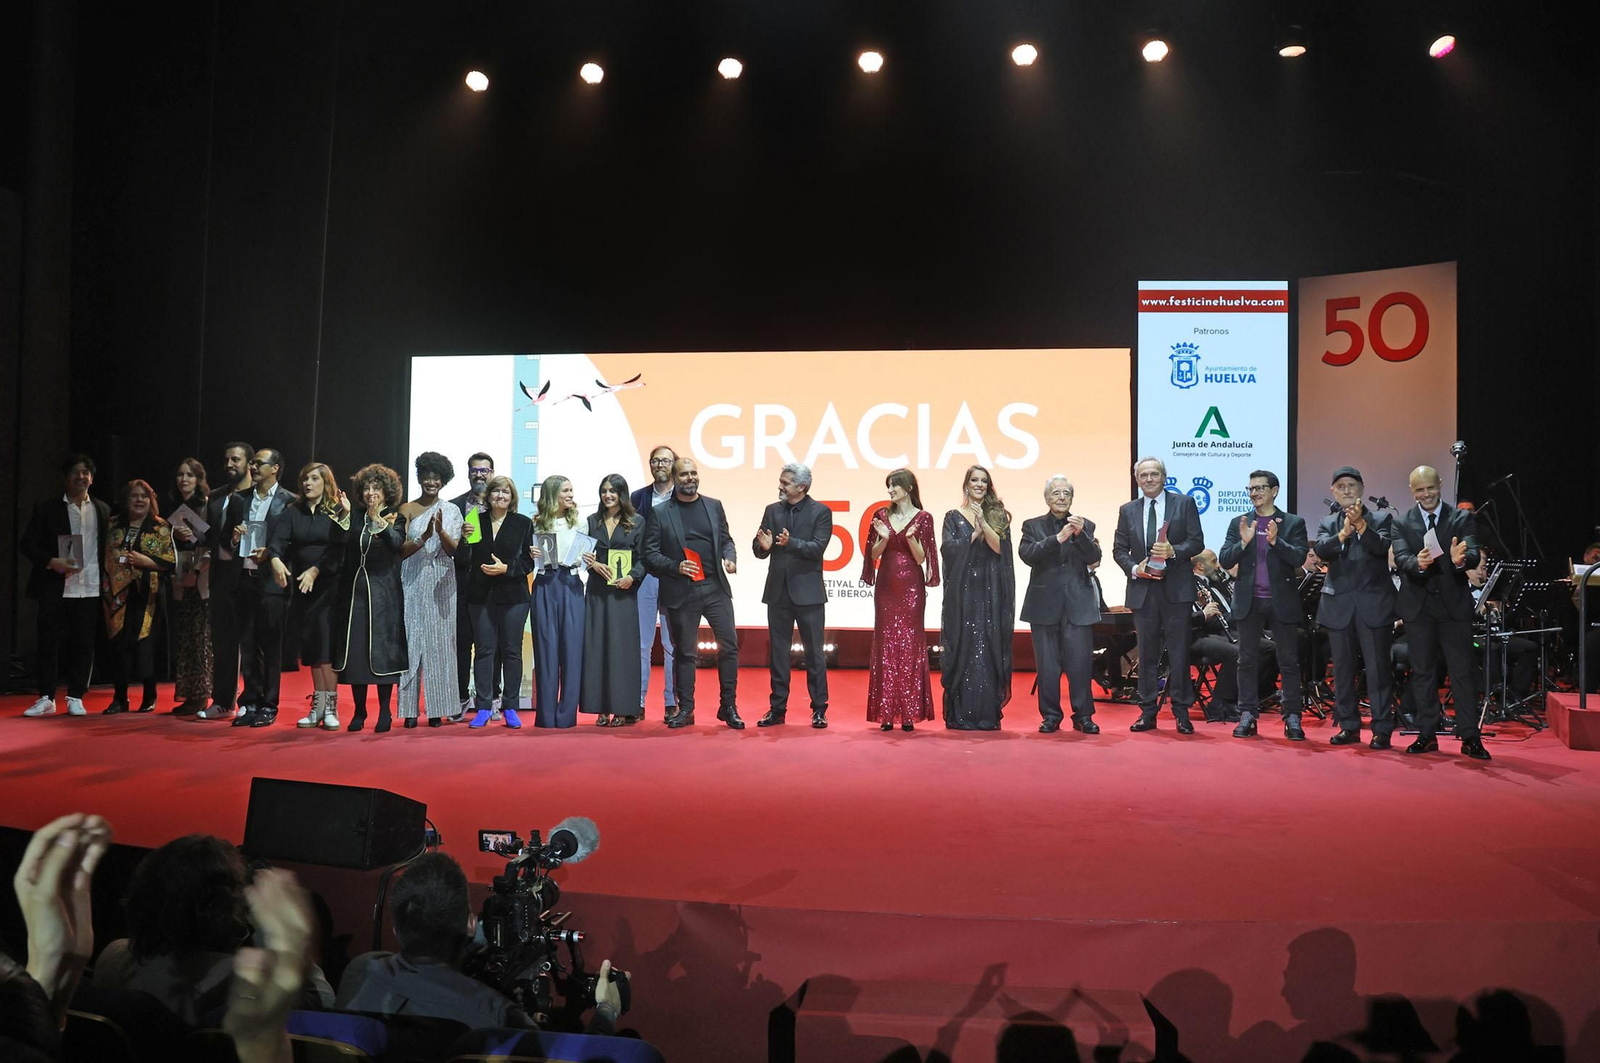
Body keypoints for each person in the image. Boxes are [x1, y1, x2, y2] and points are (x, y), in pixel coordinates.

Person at [335, 852, 623, 1034]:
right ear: (471, 924)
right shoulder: (496, 1016)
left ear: (395, 929)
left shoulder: (359, 971)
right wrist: (607, 1011)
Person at [94, 833, 333, 1024]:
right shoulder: (236, 977)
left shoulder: (113, 957)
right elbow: (323, 1003)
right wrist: (276, 926)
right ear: (225, 908)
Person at [1391, 465, 1488, 760]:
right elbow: (1402, 557)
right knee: (1422, 672)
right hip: (1418, 608)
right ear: (1412, 491)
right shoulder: (1402, 522)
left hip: (1453, 608)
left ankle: (1470, 736)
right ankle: (1426, 734)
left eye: (1430, 488)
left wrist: (1461, 560)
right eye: (1420, 490)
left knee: (1462, 672)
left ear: (1440, 484)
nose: (1426, 494)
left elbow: (1473, 551)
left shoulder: (1461, 518)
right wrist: (1418, 563)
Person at [642, 457, 743, 729]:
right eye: (684, 474)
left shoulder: (714, 505)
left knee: (729, 647)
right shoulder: (661, 512)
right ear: (674, 478)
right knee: (685, 652)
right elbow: (649, 554)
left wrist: (729, 557)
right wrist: (675, 566)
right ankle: (686, 708)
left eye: (693, 473)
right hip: (682, 590)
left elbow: (726, 540)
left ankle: (728, 706)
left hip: (715, 587)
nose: (690, 478)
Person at [1112, 457, 1205, 733]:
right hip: (1143, 591)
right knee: (1147, 654)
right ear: (1137, 480)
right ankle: (1147, 712)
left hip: (1176, 591)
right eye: (1143, 475)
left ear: (1164, 477)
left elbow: (1197, 541)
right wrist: (1134, 568)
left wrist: (1174, 551)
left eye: (1154, 474)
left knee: (1179, 654)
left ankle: (1181, 713)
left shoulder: (1184, 503)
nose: (1149, 479)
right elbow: (1119, 549)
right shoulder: (1127, 510)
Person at [1217, 470, 1309, 740]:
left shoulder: (1293, 523)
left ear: (1274, 491)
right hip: (1249, 601)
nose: (1254, 493)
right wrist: (1243, 542)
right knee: (1246, 660)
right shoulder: (1239, 522)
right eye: (1251, 489)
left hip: (1281, 601)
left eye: (1259, 488)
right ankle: (1247, 714)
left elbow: (1299, 558)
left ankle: (1292, 716)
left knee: (1288, 661)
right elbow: (1225, 559)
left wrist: (1276, 541)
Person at [1314, 466, 1399, 749]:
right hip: (1338, 606)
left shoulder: (1381, 518)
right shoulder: (1328, 522)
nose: (1346, 490)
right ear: (1333, 492)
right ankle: (1348, 726)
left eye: (1351, 485)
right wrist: (1343, 534)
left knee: (1378, 670)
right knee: (1342, 671)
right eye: (1341, 486)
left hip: (1374, 605)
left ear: (1361, 489)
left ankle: (1382, 728)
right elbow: (1322, 550)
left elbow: (1382, 547)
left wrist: (1361, 526)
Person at [21, 454, 110, 718]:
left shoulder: (103, 510)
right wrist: (52, 561)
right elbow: (27, 544)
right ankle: (46, 697)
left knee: (83, 643)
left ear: (92, 478)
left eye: (85, 472)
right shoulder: (47, 509)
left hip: (90, 586)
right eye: (75, 472)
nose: (81, 477)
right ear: (65, 477)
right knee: (48, 642)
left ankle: (76, 696)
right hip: (55, 585)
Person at [267, 462, 350, 730]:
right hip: (304, 588)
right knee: (313, 648)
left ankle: (331, 706)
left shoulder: (336, 511)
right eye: (305, 479)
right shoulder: (294, 512)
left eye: (314, 479)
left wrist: (316, 570)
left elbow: (339, 550)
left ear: (326, 483)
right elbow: (277, 541)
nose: (308, 483)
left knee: (326, 646)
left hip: (330, 587)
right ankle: (318, 706)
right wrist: (276, 560)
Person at [1019, 476, 1102, 733]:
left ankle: (1083, 716)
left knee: (1080, 665)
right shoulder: (1032, 526)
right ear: (1047, 498)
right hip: (1044, 605)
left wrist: (1080, 535)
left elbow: (1094, 557)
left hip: (1078, 605)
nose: (1062, 497)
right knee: (1047, 667)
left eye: (1067, 493)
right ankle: (1051, 716)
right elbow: (1027, 555)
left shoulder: (1085, 525)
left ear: (1072, 498)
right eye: (1056, 493)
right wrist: (1057, 539)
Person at [752, 462, 833, 728]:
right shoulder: (772, 510)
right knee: (778, 653)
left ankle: (819, 709)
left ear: (802, 486)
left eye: (785, 483)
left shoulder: (821, 512)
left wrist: (791, 543)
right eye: (781, 481)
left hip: (809, 594)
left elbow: (817, 548)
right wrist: (763, 547)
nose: (780, 486)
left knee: (814, 654)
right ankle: (777, 709)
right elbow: (759, 547)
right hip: (778, 593)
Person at [861, 468, 940, 731]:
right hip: (886, 586)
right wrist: (883, 538)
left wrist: (910, 538)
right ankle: (885, 713)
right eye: (889, 486)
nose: (890, 490)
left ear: (908, 488)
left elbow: (921, 558)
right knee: (886, 644)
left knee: (910, 645)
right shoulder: (881, 515)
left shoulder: (923, 518)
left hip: (911, 588)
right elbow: (873, 555)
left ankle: (909, 713)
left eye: (895, 485)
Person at [334, 464, 409, 733]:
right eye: (366, 488)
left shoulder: (395, 517)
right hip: (355, 594)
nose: (370, 492)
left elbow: (396, 544)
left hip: (383, 594)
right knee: (356, 650)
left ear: (387, 492)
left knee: (382, 651)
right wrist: (343, 514)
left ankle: (385, 711)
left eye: (376, 488)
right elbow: (340, 542)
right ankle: (359, 711)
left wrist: (378, 519)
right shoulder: (354, 516)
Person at [940, 465, 1015, 731]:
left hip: (991, 592)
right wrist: (971, 536)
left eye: (984, 481)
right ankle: (960, 714)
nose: (979, 484)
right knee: (963, 646)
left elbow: (1001, 550)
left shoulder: (997, 515)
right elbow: (948, 551)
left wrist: (984, 524)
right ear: (966, 485)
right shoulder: (952, 516)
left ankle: (987, 714)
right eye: (974, 480)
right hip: (962, 594)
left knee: (989, 646)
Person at [226, 448, 297, 729]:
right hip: (244, 578)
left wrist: (272, 553)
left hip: (272, 582)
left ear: (275, 468)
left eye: (259, 463)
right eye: (252, 463)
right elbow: (224, 538)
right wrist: (234, 538)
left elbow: (295, 543)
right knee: (247, 643)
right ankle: (250, 701)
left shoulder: (289, 501)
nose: (253, 467)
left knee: (271, 646)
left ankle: (269, 704)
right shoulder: (239, 499)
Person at [101, 480, 177, 714]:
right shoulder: (113, 524)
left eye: (144, 496)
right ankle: (120, 698)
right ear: (126, 499)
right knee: (119, 646)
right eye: (134, 496)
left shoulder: (160, 526)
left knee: (145, 644)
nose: (139, 500)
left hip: (148, 596)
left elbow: (170, 561)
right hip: (117, 593)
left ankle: (149, 694)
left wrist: (147, 562)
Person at [398, 453, 462, 728]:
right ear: (420, 477)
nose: (431, 482)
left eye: (436, 478)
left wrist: (440, 531)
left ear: (443, 480)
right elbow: (399, 550)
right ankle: (409, 711)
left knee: (441, 645)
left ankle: (438, 709)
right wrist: (424, 537)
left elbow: (454, 550)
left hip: (442, 583)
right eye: (427, 477)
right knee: (411, 643)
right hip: (412, 580)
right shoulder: (407, 509)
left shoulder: (452, 510)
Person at [465, 474, 532, 729]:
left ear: (512, 497)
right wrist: (463, 539)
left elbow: (528, 561)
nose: (500, 496)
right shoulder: (475, 519)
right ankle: (484, 706)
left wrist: (507, 569)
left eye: (505, 492)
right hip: (481, 595)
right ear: (488, 495)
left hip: (514, 596)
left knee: (512, 651)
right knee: (484, 651)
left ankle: (510, 706)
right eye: (496, 491)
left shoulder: (523, 523)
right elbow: (465, 559)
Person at [580, 474, 645, 726]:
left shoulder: (637, 522)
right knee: (596, 647)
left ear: (622, 494)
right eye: (604, 491)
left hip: (623, 592)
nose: (607, 495)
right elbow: (583, 554)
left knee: (621, 649)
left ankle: (621, 708)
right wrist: (592, 564)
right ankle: (600, 708)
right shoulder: (591, 521)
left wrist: (632, 577)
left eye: (613, 491)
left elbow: (643, 558)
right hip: (597, 591)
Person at [197, 442, 254, 721]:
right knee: (223, 642)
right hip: (220, 577)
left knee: (250, 644)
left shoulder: (257, 497)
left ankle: (251, 701)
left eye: (236, 459)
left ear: (250, 464)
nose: (230, 464)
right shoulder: (216, 497)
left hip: (248, 577)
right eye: (227, 459)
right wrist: (191, 534)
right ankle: (222, 702)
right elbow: (209, 535)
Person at [528, 476, 586, 728]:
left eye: (571, 490)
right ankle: (546, 714)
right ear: (552, 494)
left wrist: (586, 558)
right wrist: (531, 554)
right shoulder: (536, 523)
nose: (570, 494)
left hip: (571, 585)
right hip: (544, 584)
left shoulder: (580, 522)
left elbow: (585, 555)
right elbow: (529, 560)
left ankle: (566, 716)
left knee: (572, 651)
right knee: (546, 649)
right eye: (565, 491)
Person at [630, 445, 679, 720]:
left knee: (673, 644)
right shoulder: (638, 497)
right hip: (646, 575)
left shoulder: (684, 495)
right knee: (642, 643)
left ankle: (672, 702)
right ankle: (637, 701)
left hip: (674, 575)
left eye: (665, 460)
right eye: (656, 460)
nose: (660, 465)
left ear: (674, 465)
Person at [448, 453, 496, 718]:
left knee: (490, 643)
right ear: (468, 473)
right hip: (462, 580)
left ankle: (491, 697)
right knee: (462, 641)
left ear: (492, 473)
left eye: (484, 470)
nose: (479, 475)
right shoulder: (454, 506)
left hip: (492, 580)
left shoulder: (501, 503)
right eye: (474, 470)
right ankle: (461, 696)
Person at [166, 458, 214, 716]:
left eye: (190, 475)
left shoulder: (206, 505)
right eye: (180, 474)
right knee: (186, 639)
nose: (184, 479)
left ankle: (204, 694)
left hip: (201, 577)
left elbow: (212, 544)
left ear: (199, 479)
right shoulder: (175, 507)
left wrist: (196, 571)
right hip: (180, 577)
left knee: (201, 638)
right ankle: (190, 695)